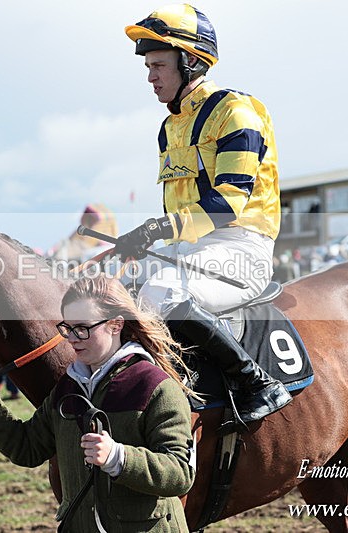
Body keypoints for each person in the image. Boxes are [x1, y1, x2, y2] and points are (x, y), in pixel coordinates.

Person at [118, 4, 291, 425]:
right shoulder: (170, 127)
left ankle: (256, 382)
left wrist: (155, 230)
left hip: (240, 247)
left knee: (159, 295)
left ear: (191, 61)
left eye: (158, 64)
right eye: (147, 65)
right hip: (187, 249)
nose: (150, 76)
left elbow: (228, 202)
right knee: (109, 293)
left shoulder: (236, 111)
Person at [0, 276, 195, 532]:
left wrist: (118, 457)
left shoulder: (155, 386)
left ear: (116, 324)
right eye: (67, 328)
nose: (73, 338)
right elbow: (27, 448)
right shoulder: (67, 387)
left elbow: (180, 474)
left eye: (83, 328)